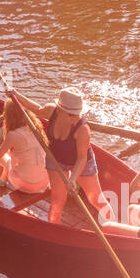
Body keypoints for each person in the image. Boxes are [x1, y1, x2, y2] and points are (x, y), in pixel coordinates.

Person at [13, 85, 113, 222]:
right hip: (56, 159)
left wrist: (72, 180)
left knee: (96, 199)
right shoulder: (50, 111)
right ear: (59, 110)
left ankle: (114, 229)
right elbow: (37, 109)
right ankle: (54, 229)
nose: (76, 117)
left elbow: (82, 158)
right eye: (71, 114)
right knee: (57, 202)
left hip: (81, 162)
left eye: (78, 113)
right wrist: (15, 94)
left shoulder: (83, 129)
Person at [0, 99, 67, 225]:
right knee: (10, 155)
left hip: (26, 185)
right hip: (43, 182)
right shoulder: (36, 127)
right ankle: (2, 182)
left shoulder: (14, 135)